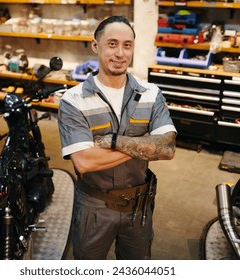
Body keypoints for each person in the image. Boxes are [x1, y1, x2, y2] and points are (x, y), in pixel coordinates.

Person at [57, 16, 177, 260]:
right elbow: (84, 162)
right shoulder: (73, 100)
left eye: (127, 45)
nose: (120, 53)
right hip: (94, 207)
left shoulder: (151, 93)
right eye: (112, 44)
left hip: (139, 208)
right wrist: (146, 142)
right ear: (96, 46)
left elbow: (168, 149)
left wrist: (112, 141)